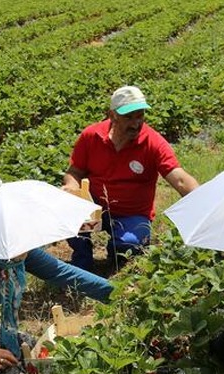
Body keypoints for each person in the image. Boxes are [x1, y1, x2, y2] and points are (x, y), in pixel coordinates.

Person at [62, 85, 198, 271]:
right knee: (70, 219)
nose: (135, 123)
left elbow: (180, 179)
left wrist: (204, 205)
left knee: (130, 244)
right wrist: (72, 188)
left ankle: (116, 253)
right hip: (95, 208)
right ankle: (82, 263)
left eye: (139, 116)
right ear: (112, 115)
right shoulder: (91, 136)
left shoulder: (153, 142)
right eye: (128, 117)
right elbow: (75, 172)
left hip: (132, 214)